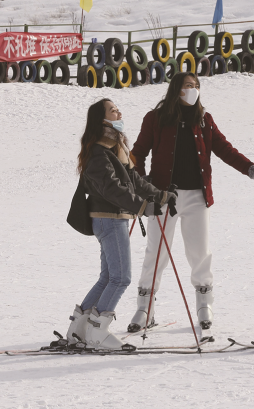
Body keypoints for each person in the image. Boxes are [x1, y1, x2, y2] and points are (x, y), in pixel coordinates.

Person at [127, 72, 254, 332]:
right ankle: (144, 308)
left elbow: (224, 149)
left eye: (196, 86)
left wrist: (253, 169)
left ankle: (205, 305)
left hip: (197, 196)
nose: (193, 90)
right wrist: (145, 187)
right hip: (163, 197)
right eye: (188, 86)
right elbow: (137, 154)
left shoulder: (204, 120)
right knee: (156, 252)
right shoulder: (156, 118)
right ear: (176, 90)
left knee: (200, 252)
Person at [65, 98, 177, 351]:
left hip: (112, 219)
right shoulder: (98, 152)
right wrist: (142, 206)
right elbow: (112, 188)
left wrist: (159, 195)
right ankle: (97, 332)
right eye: (113, 110)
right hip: (109, 219)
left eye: (117, 109)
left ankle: (78, 330)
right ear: (101, 119)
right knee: (121, 278)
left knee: (108, 277)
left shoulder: (115, 148)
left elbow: (133, 180)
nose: (119, 112)